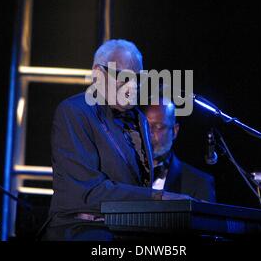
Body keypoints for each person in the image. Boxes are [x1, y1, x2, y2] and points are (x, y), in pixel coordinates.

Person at [42, 39, 194, 241]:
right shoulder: (75, 111)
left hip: (124, 227)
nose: (133, 86)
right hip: (81, 228)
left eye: (138, 78)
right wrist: (157, 197)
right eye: (124, 77)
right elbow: (87, 192)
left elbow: (138, 185)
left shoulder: (138, 118)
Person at [143, 99, 216, 203]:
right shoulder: (124, 174)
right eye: (145, 125)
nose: (149, 133)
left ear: (175, 131)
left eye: (158, 127)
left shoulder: (199, 182)